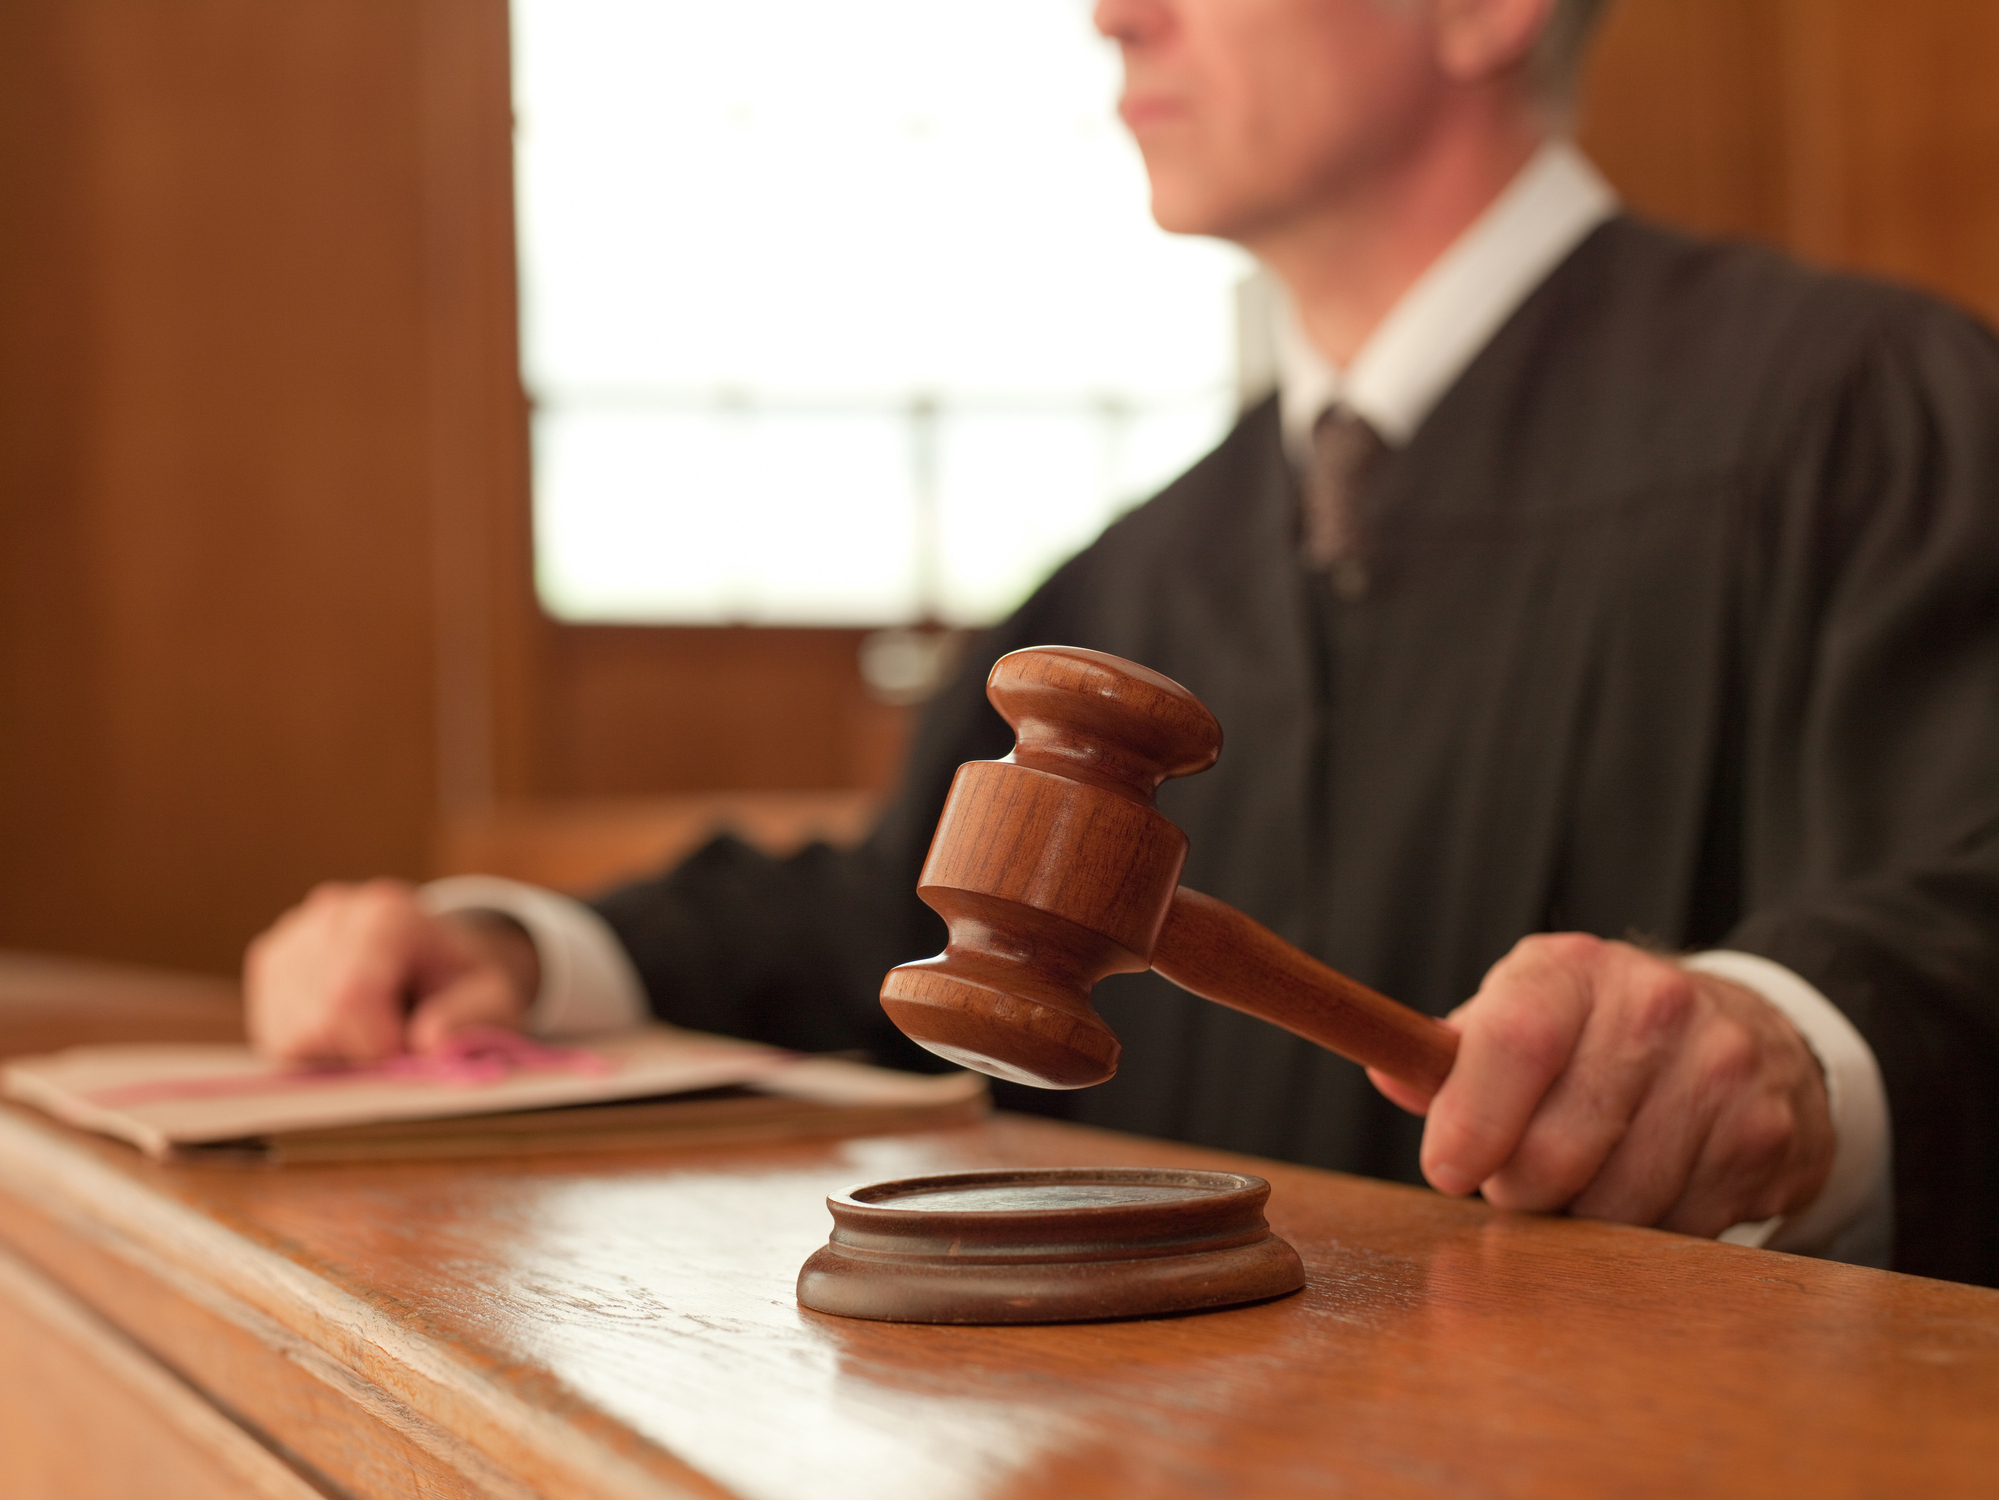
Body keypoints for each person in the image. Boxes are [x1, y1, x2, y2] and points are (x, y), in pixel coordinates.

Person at [245, 0, 1998, 1285]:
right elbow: (900, 924)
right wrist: (520, 957)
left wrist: (1793, 1051)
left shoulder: (1867, 416)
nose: (1112, 14)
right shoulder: (1137, 574)